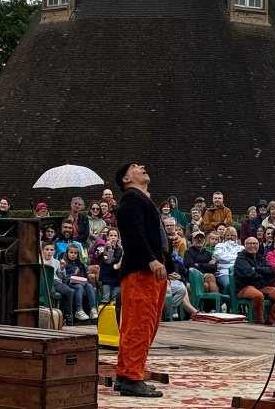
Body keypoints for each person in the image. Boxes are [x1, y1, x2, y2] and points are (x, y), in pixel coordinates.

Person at [113, 163, 166, 398]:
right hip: (142, 271)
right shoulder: (132, 199)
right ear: (126, 178)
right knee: (140, 324)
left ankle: (126, 374)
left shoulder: (139, 198)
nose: (143, 166)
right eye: (135, 166)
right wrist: (152, 260)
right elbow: (134, 233)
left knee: (139, 324)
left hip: (148, 270)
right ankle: (133, 377)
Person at [234, 236, 275, 326]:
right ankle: (259, 322)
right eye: (250, 244)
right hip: (245, 287)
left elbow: (272, 271)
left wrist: (256, 269)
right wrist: (263, 274)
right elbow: (248, 274)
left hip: (262, 286)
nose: (253, 246)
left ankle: (270, 321)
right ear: (244, 246)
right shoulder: (240, 259)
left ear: (258, 245)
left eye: (255, 244)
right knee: (258, 295)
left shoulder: (261, 257)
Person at [61, 243, 97, 321]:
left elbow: (84, 277)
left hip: (81, 282)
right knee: (79, 287)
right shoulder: (65, 264)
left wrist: (82, 276)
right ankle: (79, 310)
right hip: (69, 283)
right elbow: (63, 278)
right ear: (67, 253)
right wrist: (73, 274)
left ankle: (93, 309)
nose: (73, 255)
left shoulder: (80, 264)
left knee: (89, 286)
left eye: (75, 253)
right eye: (71, 252)